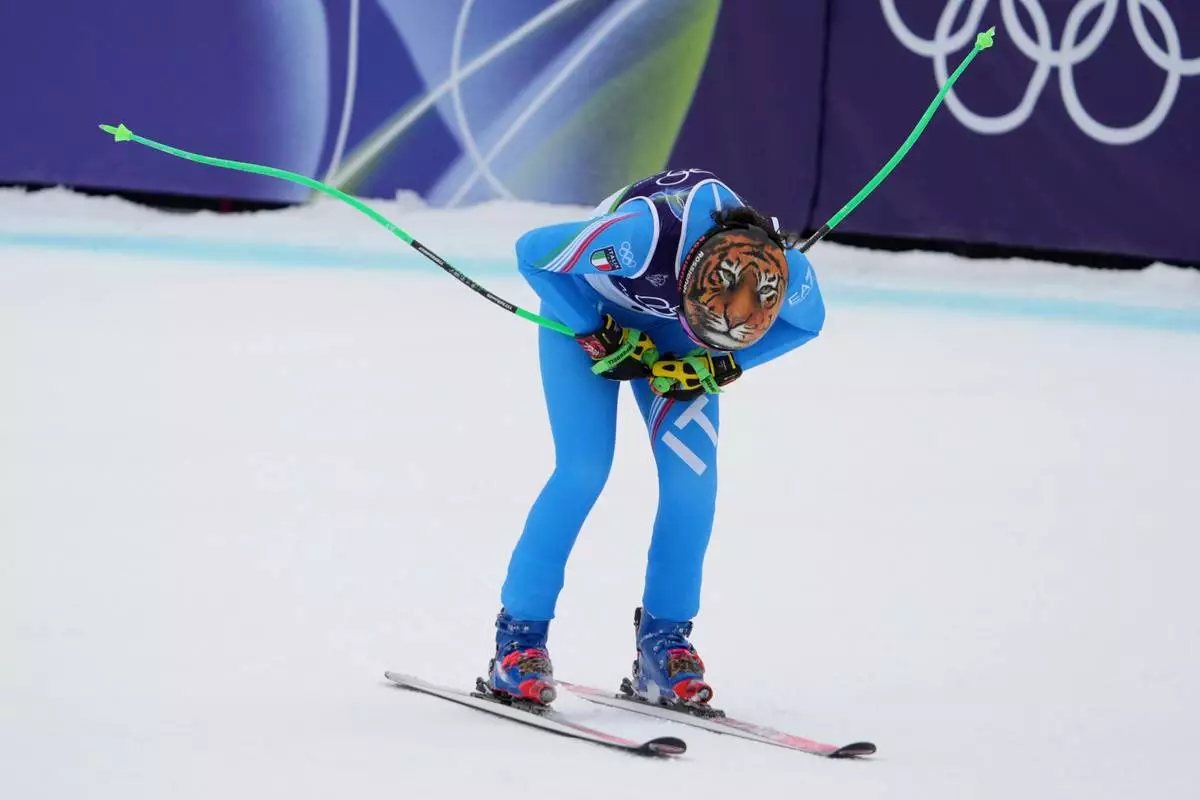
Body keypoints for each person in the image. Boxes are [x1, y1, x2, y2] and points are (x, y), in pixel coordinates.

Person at [484, 168, 825, 708]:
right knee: (583, 471)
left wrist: (721, 364)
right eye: (712, 324)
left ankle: (664, 642)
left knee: (692, 486)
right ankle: (518, 641)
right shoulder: (640, 238)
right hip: (590, 309)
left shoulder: (780, 268)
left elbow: (809, 322)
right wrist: (592, 331)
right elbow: (533, 252)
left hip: (678, 341)